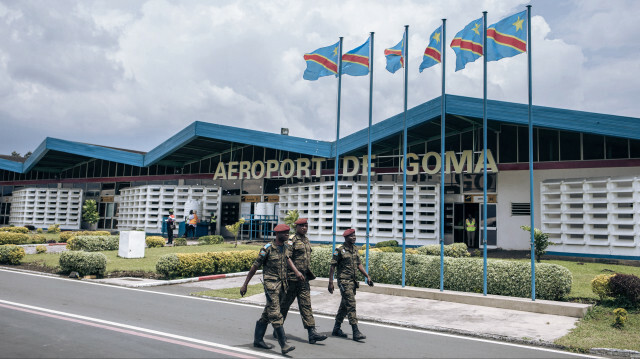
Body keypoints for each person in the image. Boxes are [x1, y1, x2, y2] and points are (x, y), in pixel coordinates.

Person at [240, 224, 303, 355]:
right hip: (271, 285)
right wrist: (245, 284)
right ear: (277, 234)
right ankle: (283, 344)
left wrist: (296, 272)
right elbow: (254, 267)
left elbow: (288, 259)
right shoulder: (267, 249)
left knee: (268, 313)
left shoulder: (285, 247)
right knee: (275, 313)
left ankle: (258, 340)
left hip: (282, 285)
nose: (287, 234)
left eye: (288, 232)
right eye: (285, 233)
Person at [277, 218, 327, 344]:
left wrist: (303, 273)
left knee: (306, 305)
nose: (305, 228)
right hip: (292, 279)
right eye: (302, 226)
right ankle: (277, 330)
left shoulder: (306, 240)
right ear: (297, 227)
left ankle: (312, 333)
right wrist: (296, 272)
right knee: (284, 306)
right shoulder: (292, 240)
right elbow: (287, 257)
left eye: (306, 225)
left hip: (303, 279)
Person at [328, 228, 374, 341]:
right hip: (344, 281)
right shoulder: (338, 250)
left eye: (355, 235)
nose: (354, 237)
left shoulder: (354, 249)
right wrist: (330, 282)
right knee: (351, 304)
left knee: (344, 306)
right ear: (346, 237)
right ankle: (355, 331)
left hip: (352, 282)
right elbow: (332, 266)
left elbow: (359, 264)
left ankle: (336, 329)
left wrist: (367, 276)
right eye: (351, 236)